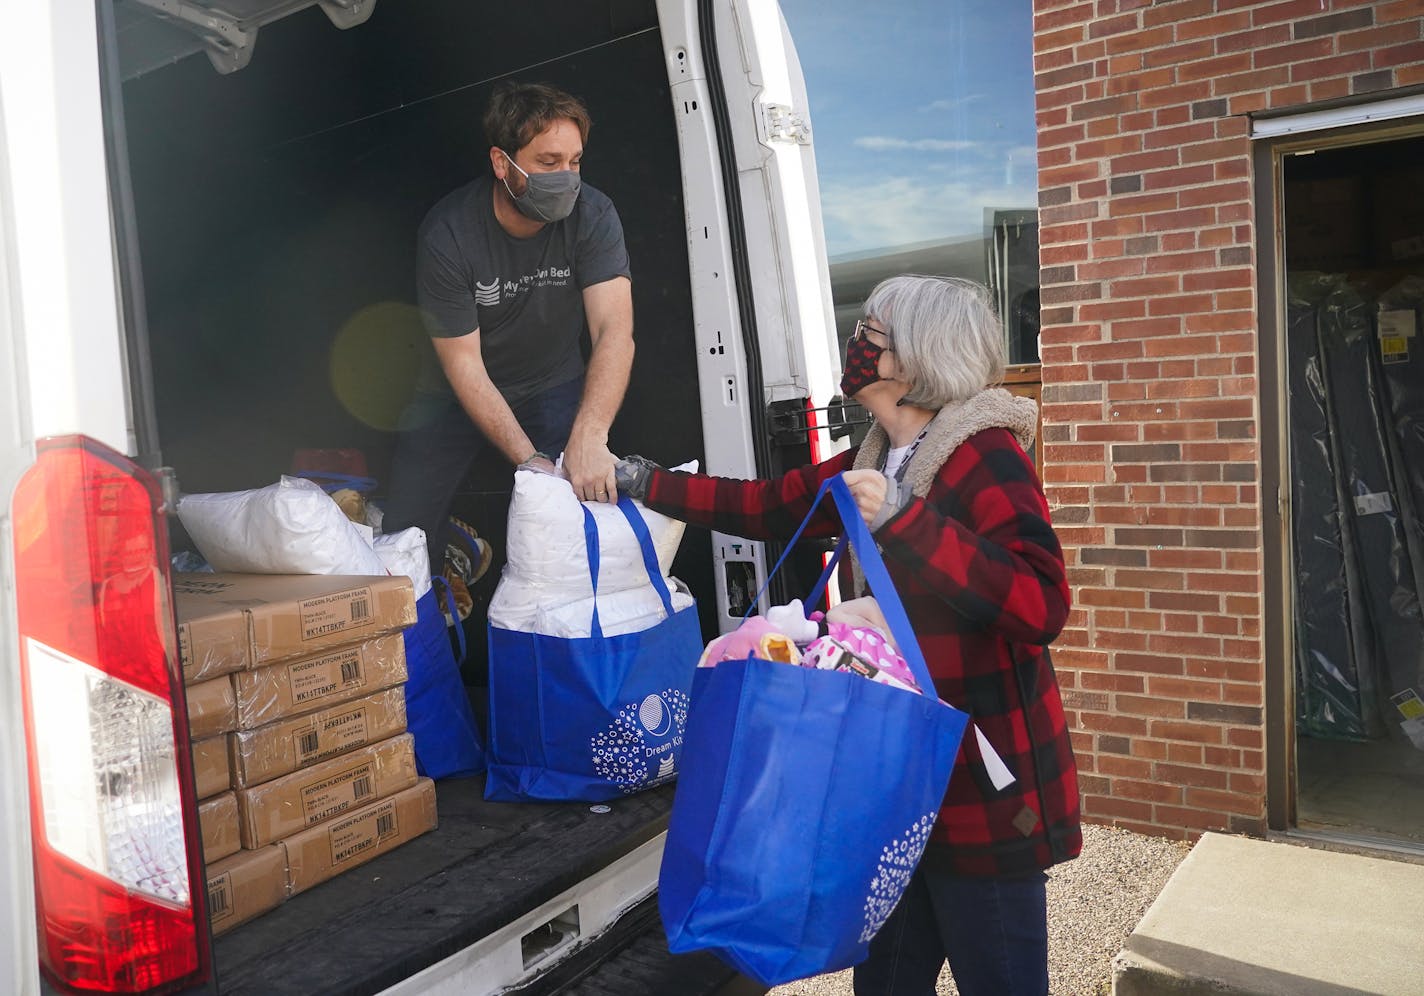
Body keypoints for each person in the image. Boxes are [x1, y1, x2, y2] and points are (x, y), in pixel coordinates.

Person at [617, 274, 1080, 996]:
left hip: (977, 788)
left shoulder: (984, 454)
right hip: (892, 777)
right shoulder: (877, 456)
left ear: (915, 358)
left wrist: (904, 517)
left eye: (871, 334)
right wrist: (642, 480)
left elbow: (1039, 603)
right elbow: (767, 506)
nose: (854, 344)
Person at [384, 80, 634, 574]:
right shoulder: (449, 233)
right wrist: (532, 460)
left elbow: (614, 331)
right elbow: (464, 365)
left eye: (575, 161)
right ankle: (431, 601)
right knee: (404, 533)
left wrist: (590, 432)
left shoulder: (594, 214)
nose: (566, 177)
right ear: (503, 163)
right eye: (548, 162)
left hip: (551, 380)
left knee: (584, 505)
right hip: (452, 393)